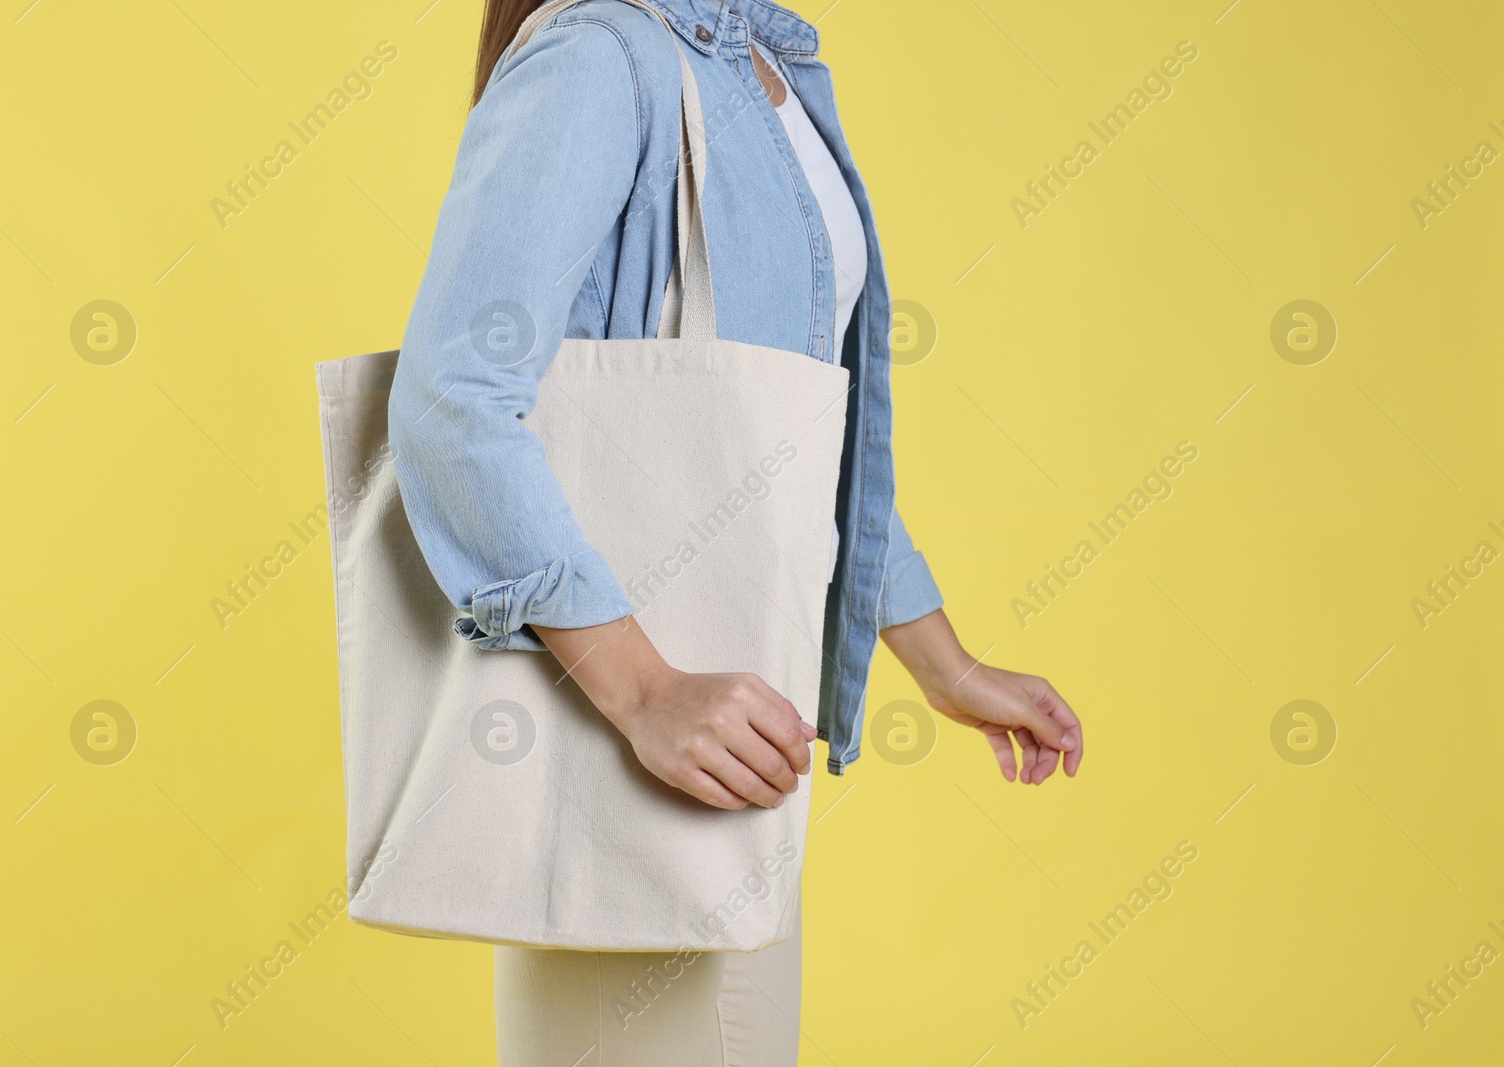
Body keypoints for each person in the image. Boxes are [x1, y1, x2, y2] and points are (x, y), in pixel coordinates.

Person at [387, 1, 1084, 1063]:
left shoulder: (758, 64)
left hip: (735, 741)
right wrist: (642, 688)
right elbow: (451, 398)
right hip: (647, 737)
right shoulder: (599, 60)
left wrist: (940, 661)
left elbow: (785, 436)